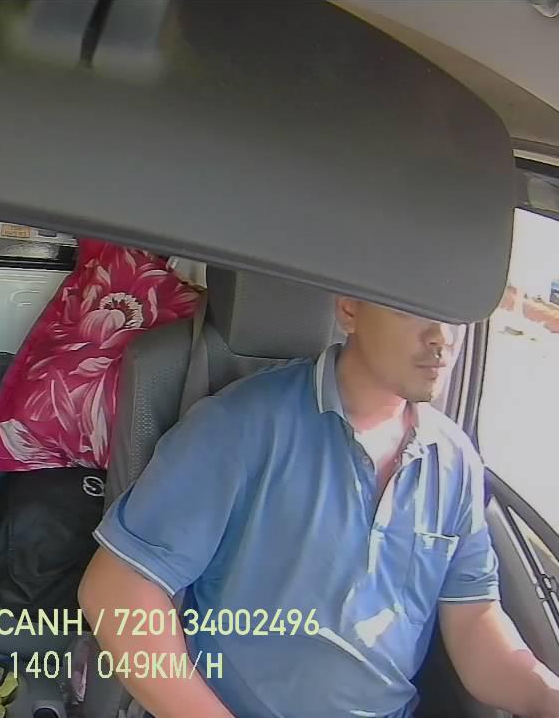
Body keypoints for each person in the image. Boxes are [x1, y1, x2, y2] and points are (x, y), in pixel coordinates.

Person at [78, 297, 559, 718]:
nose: (442, 338)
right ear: (349, 309)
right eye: (413, 310)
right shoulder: (242, 424)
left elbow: (474, 619)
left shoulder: (454, 460)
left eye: (453, 315)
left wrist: (544, 694)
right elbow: (116, 592)